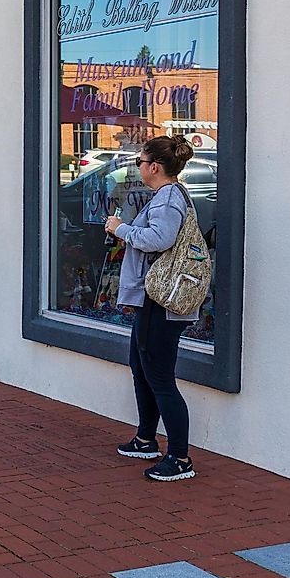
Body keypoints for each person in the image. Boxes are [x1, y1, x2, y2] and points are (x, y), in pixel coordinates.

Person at [103, 135, 199, 482]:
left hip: (161, 301)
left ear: (154, 167)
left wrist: (121, 229)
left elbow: (159, 239)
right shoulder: (168, 196)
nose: (139, 167)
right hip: (152, 298)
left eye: (140, 162)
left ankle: (180, 458)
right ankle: (146, 439)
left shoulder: (168, 199)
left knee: (159, 376)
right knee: (141, 366)